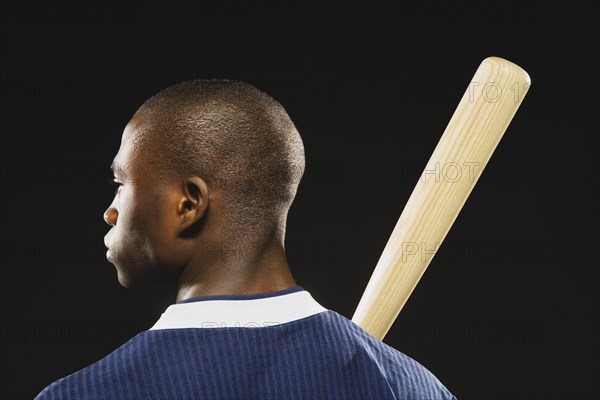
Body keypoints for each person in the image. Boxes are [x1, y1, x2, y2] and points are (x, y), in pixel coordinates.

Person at [35, 79, 457, 399]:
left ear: (188, 204)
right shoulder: (413, 388)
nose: (110, 211)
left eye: (120, 183)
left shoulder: (83, 393)